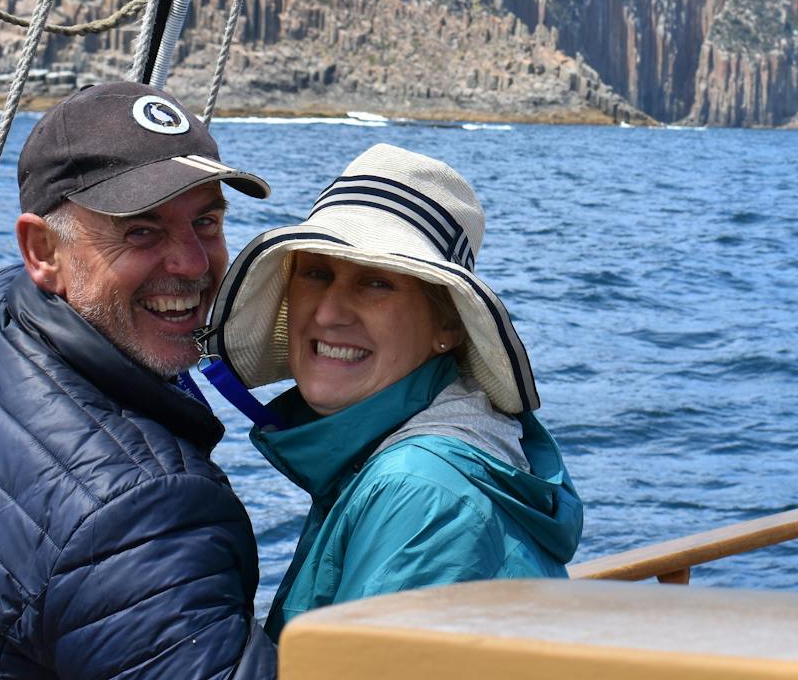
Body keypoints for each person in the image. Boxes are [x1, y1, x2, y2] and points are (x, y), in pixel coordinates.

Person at [0, 81, 277, 678]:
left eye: (205, 221)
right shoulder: (139, 517)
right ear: (42, 250)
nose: (194, 264)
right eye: (141, 231)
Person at [201, 143, 583, 641]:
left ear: (446, 324)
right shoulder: (415, 452)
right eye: (317, 273)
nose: (329, 312)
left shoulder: (420, 492)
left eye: (376, 283)